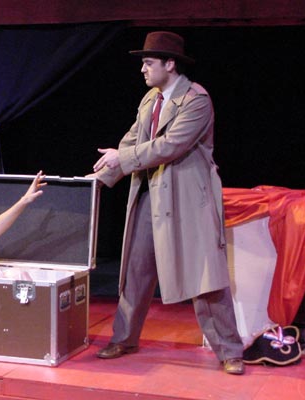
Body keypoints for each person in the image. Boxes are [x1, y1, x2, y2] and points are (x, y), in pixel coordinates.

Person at [89, 32, 245, 375]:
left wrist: (122, 158)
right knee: (136, 270)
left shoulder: (196, 99)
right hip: (152, 195)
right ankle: (125, 338)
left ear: (170, 64)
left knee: (205, 276)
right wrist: (98, 178)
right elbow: (132, 140)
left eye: (148, 63)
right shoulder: (150, 99)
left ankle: (229, 351)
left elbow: (170, 145)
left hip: (187, 199)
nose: (143, 70)